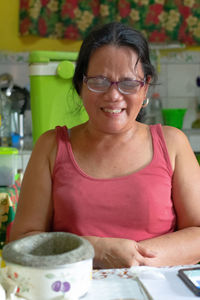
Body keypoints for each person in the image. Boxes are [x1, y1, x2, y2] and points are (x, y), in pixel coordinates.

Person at [10, 22, 200, 269]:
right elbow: (21, 243)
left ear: (145, 88)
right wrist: (93, 250)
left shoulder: (172, 143)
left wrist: (134, 256)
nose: (113, 95)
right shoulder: (51, 147)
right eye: (99, 82)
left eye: (129, 83)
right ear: (80, 85)